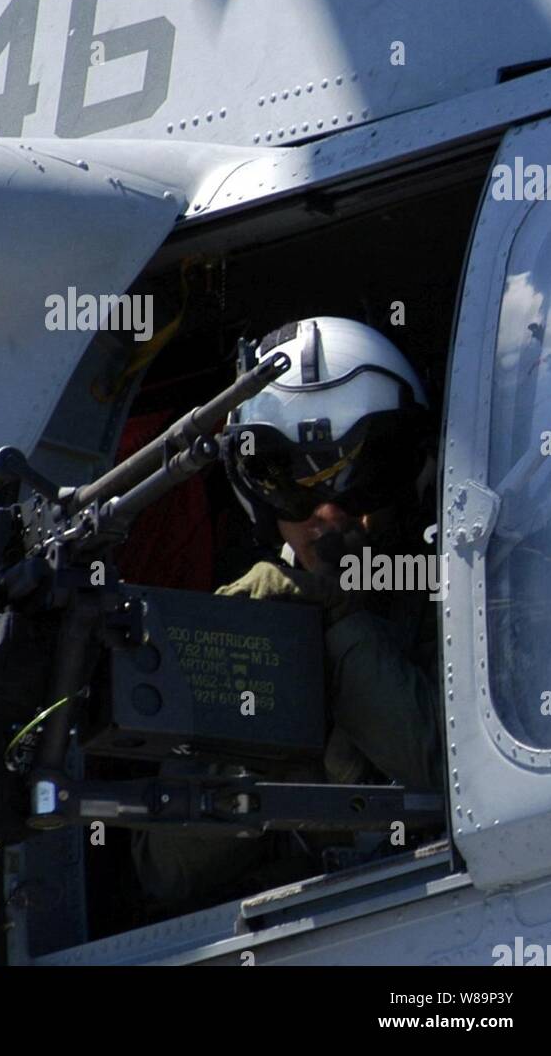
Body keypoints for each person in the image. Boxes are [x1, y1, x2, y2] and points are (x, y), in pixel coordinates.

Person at [131, 316, 443, 914]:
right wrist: (249, 666)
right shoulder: (248, 618)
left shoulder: (458, 589)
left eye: (358, 479)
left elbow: (452, 779)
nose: (326, 516)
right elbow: (165, 869)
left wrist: (341, 623)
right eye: (288, 484)